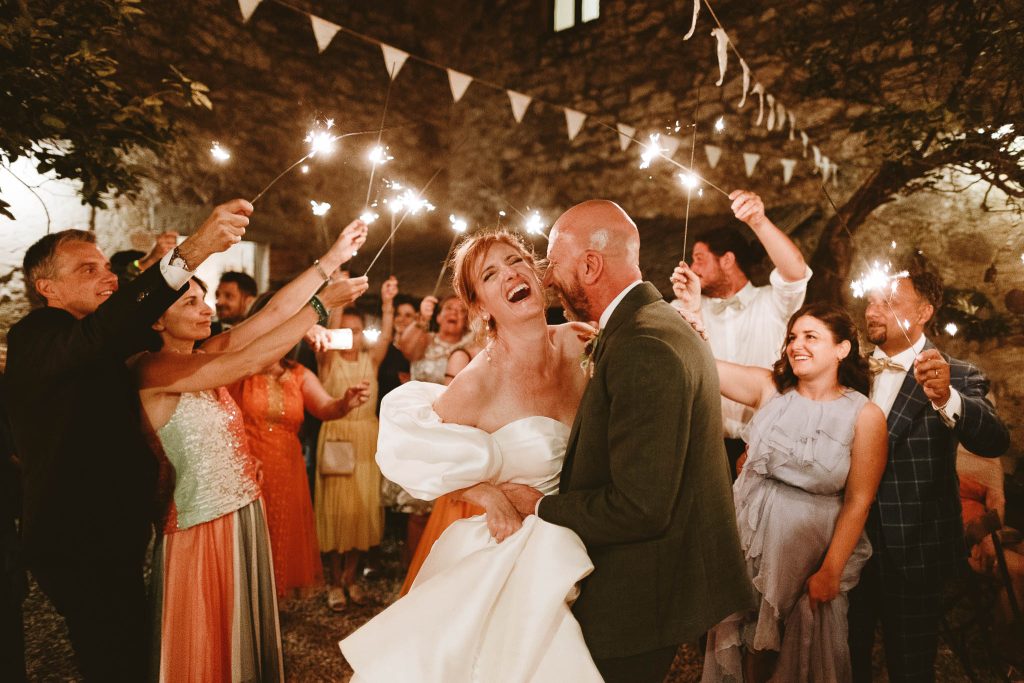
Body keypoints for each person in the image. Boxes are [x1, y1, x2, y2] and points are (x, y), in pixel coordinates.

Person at [494, 200, 752, 683]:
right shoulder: (648, 326)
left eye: (554, 263)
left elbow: (640, 506)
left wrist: (539, 507)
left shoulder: (644, 346)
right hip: (651, 578)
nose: (547, 279)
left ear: (590, 265)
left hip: (638, 589)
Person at [4, 199, 250, 681]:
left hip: (110, 533)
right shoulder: (38, 334)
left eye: (106, 266)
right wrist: (194, 249)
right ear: (46, 287)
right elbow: (112, 324)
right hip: (74, 538)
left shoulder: (100, 340)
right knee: (113, 658)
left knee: (128, 650)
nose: (109, 276)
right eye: (88, 268)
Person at [340, 229, 598, 680]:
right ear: (481, 307)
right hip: (517, 550)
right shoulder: (481, 379)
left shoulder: (580, 342)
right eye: (491, 274)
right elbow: (408, 444)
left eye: (516, 260)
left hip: (589, 527)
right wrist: (485, 493)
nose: (511, 274)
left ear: (536, 274)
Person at [135, 220, 368, 681]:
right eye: (191, 301)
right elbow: (249, 359)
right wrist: (321, 307)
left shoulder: (202, 354)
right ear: (158, 319)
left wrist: (332, 259)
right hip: (199, 530)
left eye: (204, 298)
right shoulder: (152, 370)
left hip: (243, 513)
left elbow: (270, 314)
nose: (206, 309)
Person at [690, 301, 888, 683]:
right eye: (793, 337)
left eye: (811, 337)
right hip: (747, 543)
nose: (797, 345)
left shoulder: (864, 415)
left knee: (785, 658)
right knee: (742, 644)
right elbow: (702, 364)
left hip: (806, 556)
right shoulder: (770, 390)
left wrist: (830, 570)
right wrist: (691, 323)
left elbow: (859, 501)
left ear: (842, 348)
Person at [847, 271, 1010, 683]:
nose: (872, 310)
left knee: (911, 666)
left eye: (888, 302)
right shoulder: (852, 371)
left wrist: (946, 398)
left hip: (916, 549)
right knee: (847, 659)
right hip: (848, 545)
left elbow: (994, 439)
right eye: (871, 301)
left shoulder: (956, 374)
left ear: (924, 312)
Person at [228, 294, 373, 600]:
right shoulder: (237, 370)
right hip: (246, 467)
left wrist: (346, 402)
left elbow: (325, 408)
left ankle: (270, 615)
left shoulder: (297, 373)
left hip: (287, 470)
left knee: (281, 542)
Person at [671, 190, 811, 476]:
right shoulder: (683, 307)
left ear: (727, 260)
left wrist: (758, 221)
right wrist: (688, 309)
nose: (691, 268)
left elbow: (796, 272)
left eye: (699, 259)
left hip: (769, 444)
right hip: (703, 448)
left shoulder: (772, 302)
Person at [314, 283, 394, 611]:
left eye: (357, 330)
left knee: (362, 508)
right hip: (336, 438)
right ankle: (333, 581)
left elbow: (387, 337)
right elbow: (331, 330)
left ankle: (351, 578)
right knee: (335, 511)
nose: (351, 336)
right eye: (345, 330)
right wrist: (336, 295)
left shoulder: (370, 360)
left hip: (366, 440)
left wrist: (387, 302)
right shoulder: (328, 361)